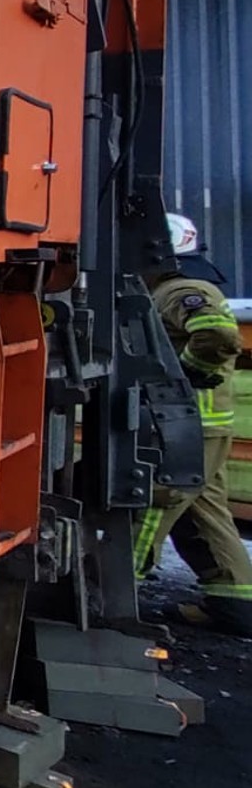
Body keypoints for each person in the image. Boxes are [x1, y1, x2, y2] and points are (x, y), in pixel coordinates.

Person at [135, 212, 252, 637]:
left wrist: (185, 371)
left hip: (185, 426)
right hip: (204, 426)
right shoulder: (177, 287)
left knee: (151, 502)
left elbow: (220, 336)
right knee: (205, 517)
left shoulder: (178, 289)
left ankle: (107, 595)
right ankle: (236, 606)